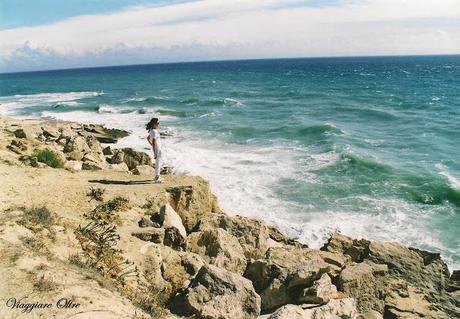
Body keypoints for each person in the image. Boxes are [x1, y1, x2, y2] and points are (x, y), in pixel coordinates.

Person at [146, 117, 163, 183]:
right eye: (158, 123)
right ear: (154, 124)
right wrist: (154, 152)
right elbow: (153, 142)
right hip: (157, 148)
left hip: (157, 148)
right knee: (158, 162)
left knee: (158, 162)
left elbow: (148, 138)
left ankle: (157, 176)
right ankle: (157, 177)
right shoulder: (154, 132)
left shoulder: (151, 131)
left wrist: (152, 145)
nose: (159, 124)